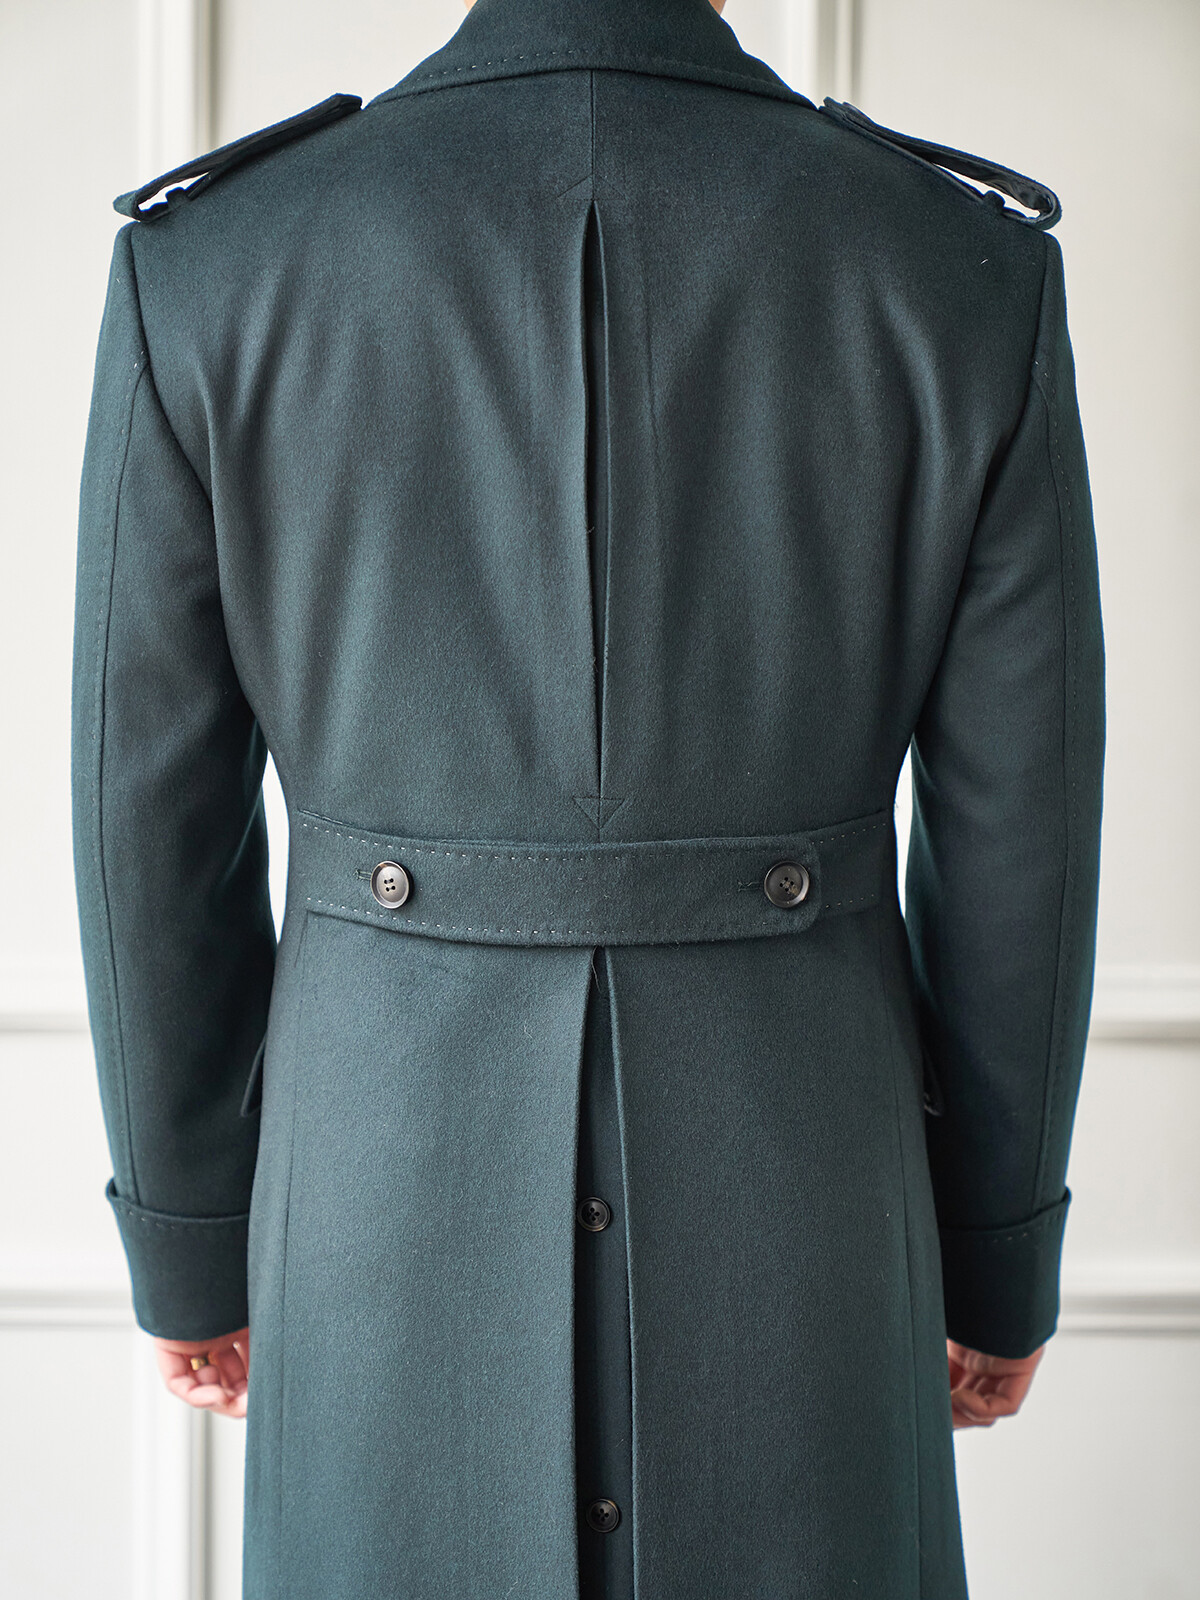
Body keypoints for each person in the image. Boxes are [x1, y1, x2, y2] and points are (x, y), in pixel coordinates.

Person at [70, 0, 1104, 1594]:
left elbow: (147, 822)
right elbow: (1022, 831)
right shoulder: (956, 265)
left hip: (375, 1211)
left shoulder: (213, 262)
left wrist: (189, 1244)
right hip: (813, 1215)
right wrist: (998, 1256)